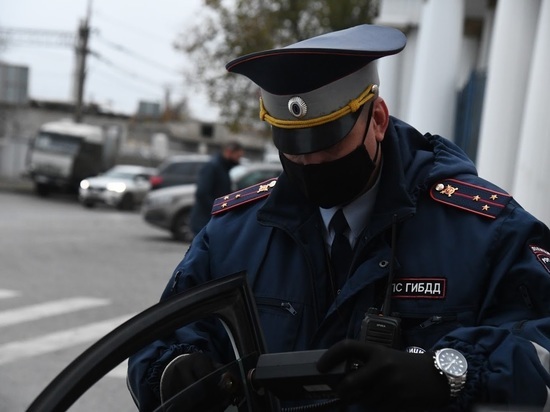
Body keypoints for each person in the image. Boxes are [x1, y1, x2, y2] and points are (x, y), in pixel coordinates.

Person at [128, 24, 550, 411]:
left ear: (378, 120)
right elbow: (159, 338)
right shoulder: (232, 234)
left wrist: (452, 371)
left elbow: (541, 349)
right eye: (292, 146)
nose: (310, 161)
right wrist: (172, 371)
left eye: (328, 142)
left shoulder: (485, 232)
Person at [189, 140, 244, 236]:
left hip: (210, 221)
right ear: (228, 152)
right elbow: (202, 193)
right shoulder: (213, 167)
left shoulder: (222, 167)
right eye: (237, 156)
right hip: (204, 221)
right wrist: (218, 211)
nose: (239, 160)